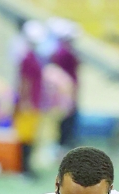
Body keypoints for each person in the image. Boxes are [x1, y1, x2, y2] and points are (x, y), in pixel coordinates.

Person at [15, 20, 46, 178]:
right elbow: (25, 81)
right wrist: (25, 100)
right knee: (25, 137)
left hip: (33, 101)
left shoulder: (33, 56)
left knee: (31, 136)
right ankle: (24, 169)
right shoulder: (27, 58)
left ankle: (28, 167)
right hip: (29, 103)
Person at [49, 18, 80, 149]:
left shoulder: (60, 51)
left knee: (65, 116)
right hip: (65, 90)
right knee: (65, 117)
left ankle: (62, 142)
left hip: (65, 89)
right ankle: (62, 143)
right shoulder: (65, 53)